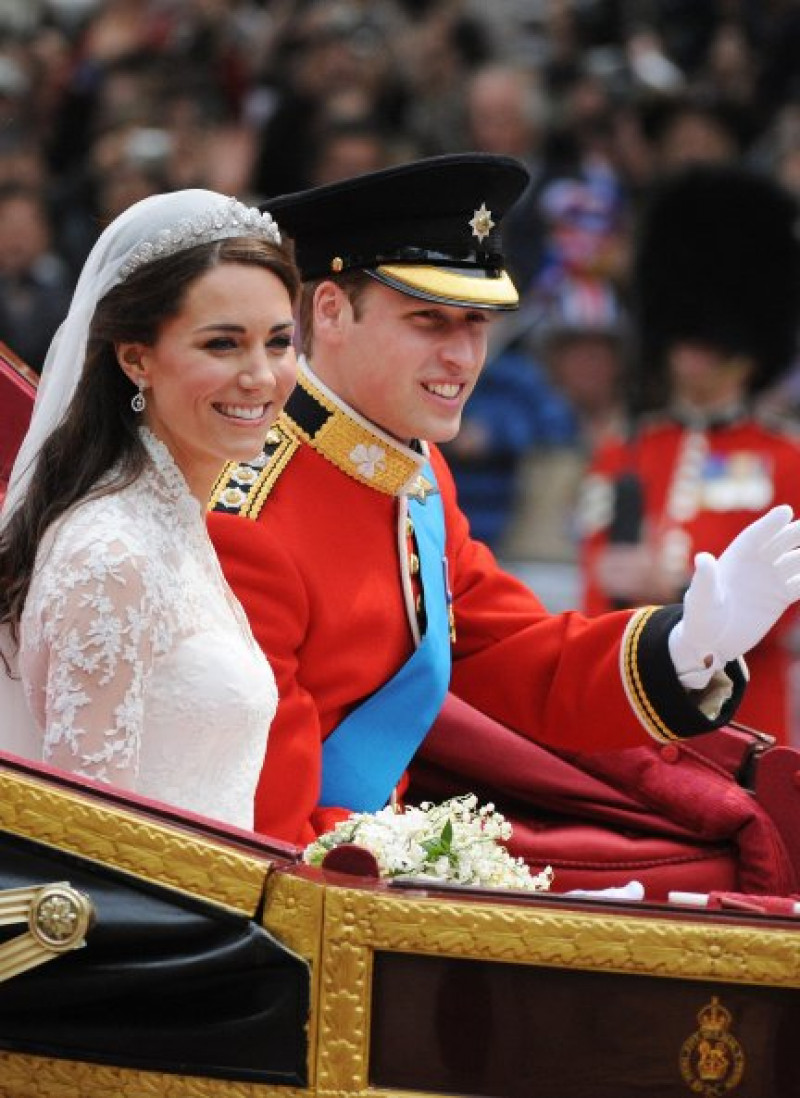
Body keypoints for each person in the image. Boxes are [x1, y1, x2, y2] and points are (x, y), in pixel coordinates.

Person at [207, 153, 800, 848]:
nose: (462, 357)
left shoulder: (417, 472)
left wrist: (687, 646)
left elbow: (516, 654)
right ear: (332, 312)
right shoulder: (249, 512)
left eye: (477, 324)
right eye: (430, 321)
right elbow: (264, 829)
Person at [0, 187, 300, 831]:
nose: (261, 376)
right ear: (137, 358)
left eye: (278, 342)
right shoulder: (113, 552)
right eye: (223, 344)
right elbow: (84, 847)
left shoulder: (168, 520)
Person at [581, 164, 800, 744]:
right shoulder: (623, 448)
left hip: (750, 706)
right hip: (636, 693)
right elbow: (597, 572)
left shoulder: (785, 457)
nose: (693, 354)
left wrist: (686, 591)